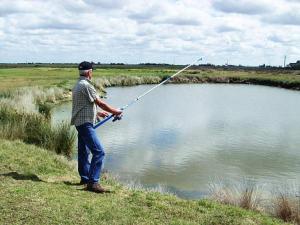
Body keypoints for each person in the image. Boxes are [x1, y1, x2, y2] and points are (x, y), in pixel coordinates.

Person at [71, 61, 122, 193]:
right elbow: (100, 102)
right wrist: (115, 112)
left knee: (84, 152)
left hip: (79, 122)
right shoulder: (87, 85)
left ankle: (85, 178)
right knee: (99, 152)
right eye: (92, 71)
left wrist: (97, 113)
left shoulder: (77, 85)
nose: (92, 73)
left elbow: (83, 104)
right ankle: (93, 183)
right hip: (85, 124)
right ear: (89, 72)